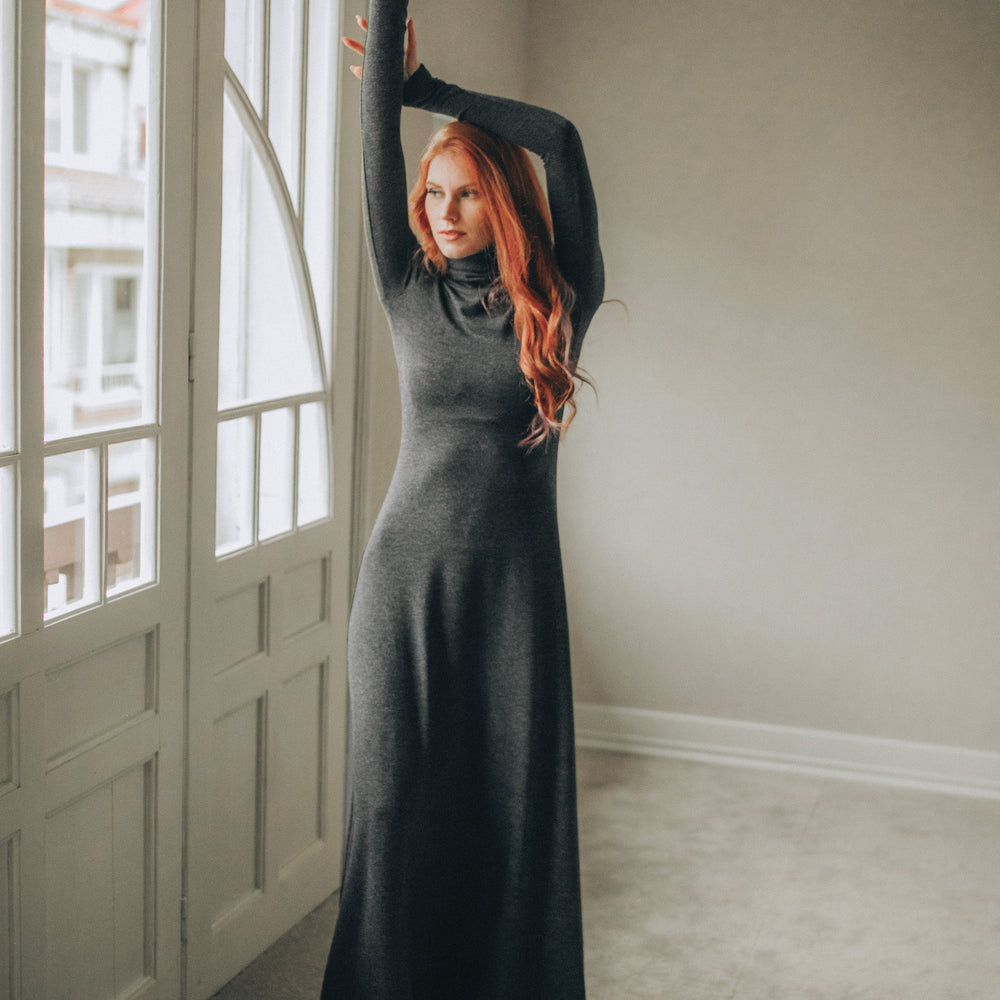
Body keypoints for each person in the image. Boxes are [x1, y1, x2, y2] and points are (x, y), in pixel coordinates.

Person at [321, 2, 603, 997]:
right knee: (393, 808)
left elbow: (559, 141)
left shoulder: (562, 299)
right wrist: (385, 44)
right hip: (402, 584)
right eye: (430, 193)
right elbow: (371, 143)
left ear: (502, 202)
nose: (439, 210)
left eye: (462, 193)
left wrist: (428, 89)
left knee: (505, 813)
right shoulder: (406, 286)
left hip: (517, 594)